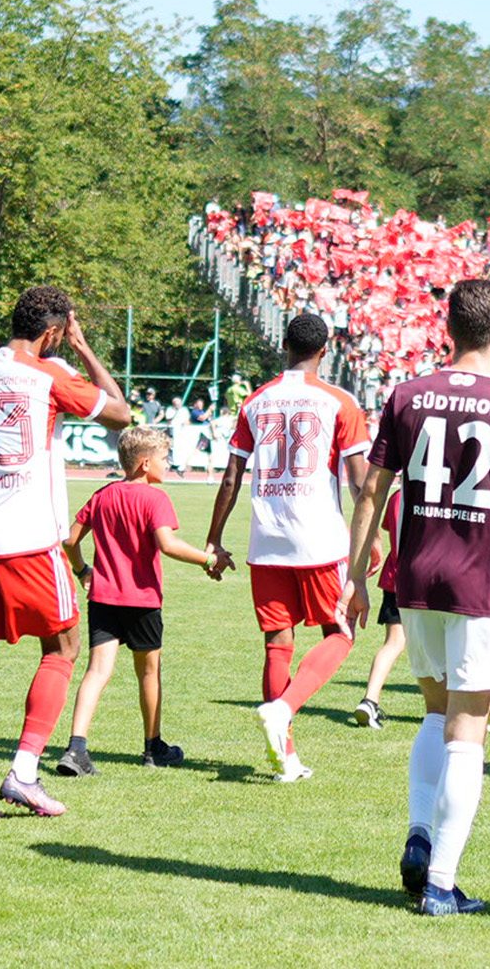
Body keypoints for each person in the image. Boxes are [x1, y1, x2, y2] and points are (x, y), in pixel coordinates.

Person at [340, 278, 490, 916]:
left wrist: (356, 576)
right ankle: (440, 880)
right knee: (468, 731)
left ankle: (419, 831)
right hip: (479, 584)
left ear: (447, 328)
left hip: (416, 578)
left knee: (435, 714)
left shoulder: (407, 395)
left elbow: (371, 492)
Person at [0, 285, 132, 823]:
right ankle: (22, 771)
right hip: (28, 541)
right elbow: (121, 414)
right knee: (63, 646)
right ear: (54, 331)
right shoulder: (49, 374)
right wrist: (85, 350)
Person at [206, 313, 370, 782]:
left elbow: (233, 476)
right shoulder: (340, 401)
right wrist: (372, 537)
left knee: (278, 643)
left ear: (283, 346)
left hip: (267, 540)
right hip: (320, 538)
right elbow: (360, 484)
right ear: (326, 349)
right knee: (341, 633)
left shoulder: (256, 401)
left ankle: (286, 757)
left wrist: (215, 538)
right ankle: (284, 710)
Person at [56, 427, 225, 776]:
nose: (168, 464)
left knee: (97, 671)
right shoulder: (155, 499)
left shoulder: (103, 495)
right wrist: (209, 560)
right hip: (142, 600)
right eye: (164, 458)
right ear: (146, 463)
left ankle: (76, 748)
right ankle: (153, 748)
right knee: (149, 672)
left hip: (103, 598)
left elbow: (69, 541)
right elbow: (168, 545)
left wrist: (83, 570)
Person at [352, 491, 408, 728]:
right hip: (427, 581)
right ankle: (449, 708)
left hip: (395, 579)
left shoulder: (397, 497)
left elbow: (387, 527)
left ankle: (370, 700)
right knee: (445, 645)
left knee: (392, 643)